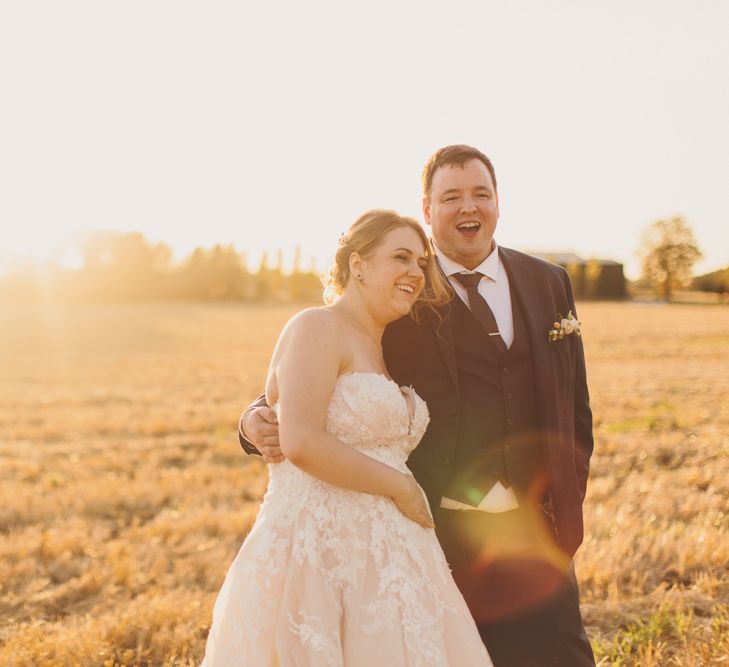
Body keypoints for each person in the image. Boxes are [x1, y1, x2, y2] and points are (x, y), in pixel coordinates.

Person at [241, 145, 596, 666]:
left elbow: (576, 402)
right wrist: (252, 421)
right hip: (438, 534)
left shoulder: (548, 281)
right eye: (451, 197)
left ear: (499, 201)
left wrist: (568, 494)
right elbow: (316, 365)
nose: (468, 208)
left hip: (537, 535)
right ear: (428, 211)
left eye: (480, 193)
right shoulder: (400, 291)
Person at [202, 210, 493, 666]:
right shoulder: (316, 326)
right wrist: (401, 486)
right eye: (400, 258)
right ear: (357, 264)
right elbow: (298, 439)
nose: (415, 272)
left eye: (421, 263)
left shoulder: (394, 342)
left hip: (395, 556)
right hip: (318, 549)